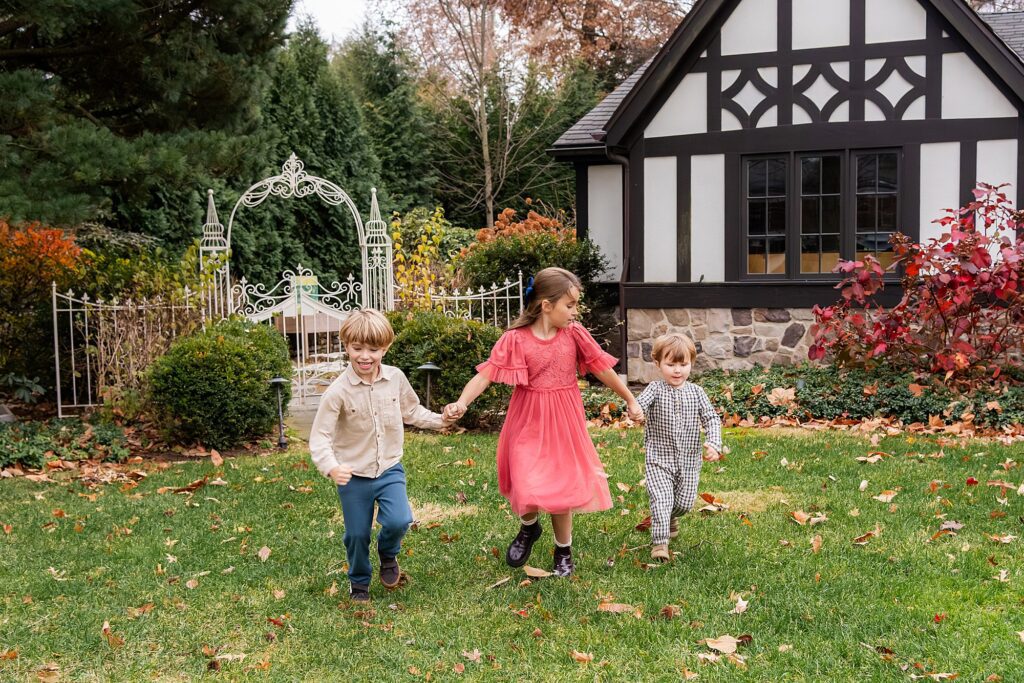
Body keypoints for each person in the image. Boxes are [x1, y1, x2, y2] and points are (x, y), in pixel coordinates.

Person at [444, 267, 643, 576]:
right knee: (526, 480)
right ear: (546, 305)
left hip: (564, 420)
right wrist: (461, 402)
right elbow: (486, 375)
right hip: (527, 419)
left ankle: (563, 551)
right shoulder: (516, 339)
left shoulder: (574, 334)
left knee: (560, 488)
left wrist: (629, 398)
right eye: (570, 305)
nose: (575, 312)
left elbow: (602, 369)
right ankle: (529, 527)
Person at [309, 308, 452, 602]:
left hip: (389, 469)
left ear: (385, 348)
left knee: (400, 520)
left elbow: (411, 411)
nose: (365, 356)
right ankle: (359, 582)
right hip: (353, 476)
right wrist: (331, 467)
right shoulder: (337, 392)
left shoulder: (395, 379)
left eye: (373, 349)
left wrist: (441, 420)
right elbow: (320, 437)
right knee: (357, 535)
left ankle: (388, 553)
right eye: (357, 348)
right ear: (346, 346)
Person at [636, 332, 722, 561]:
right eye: (670, 364)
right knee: (662, 499)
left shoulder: (697, 393)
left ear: (691, 364)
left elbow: (712, 418)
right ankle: (659, 544)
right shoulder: (655, 389)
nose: (677, 370)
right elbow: (640, 405)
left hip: (689, 460)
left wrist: (713, 443)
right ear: (658, 364)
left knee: (683, 504)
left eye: (683, 364)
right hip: (658, 459)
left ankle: (669, 517)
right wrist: (634, 411)